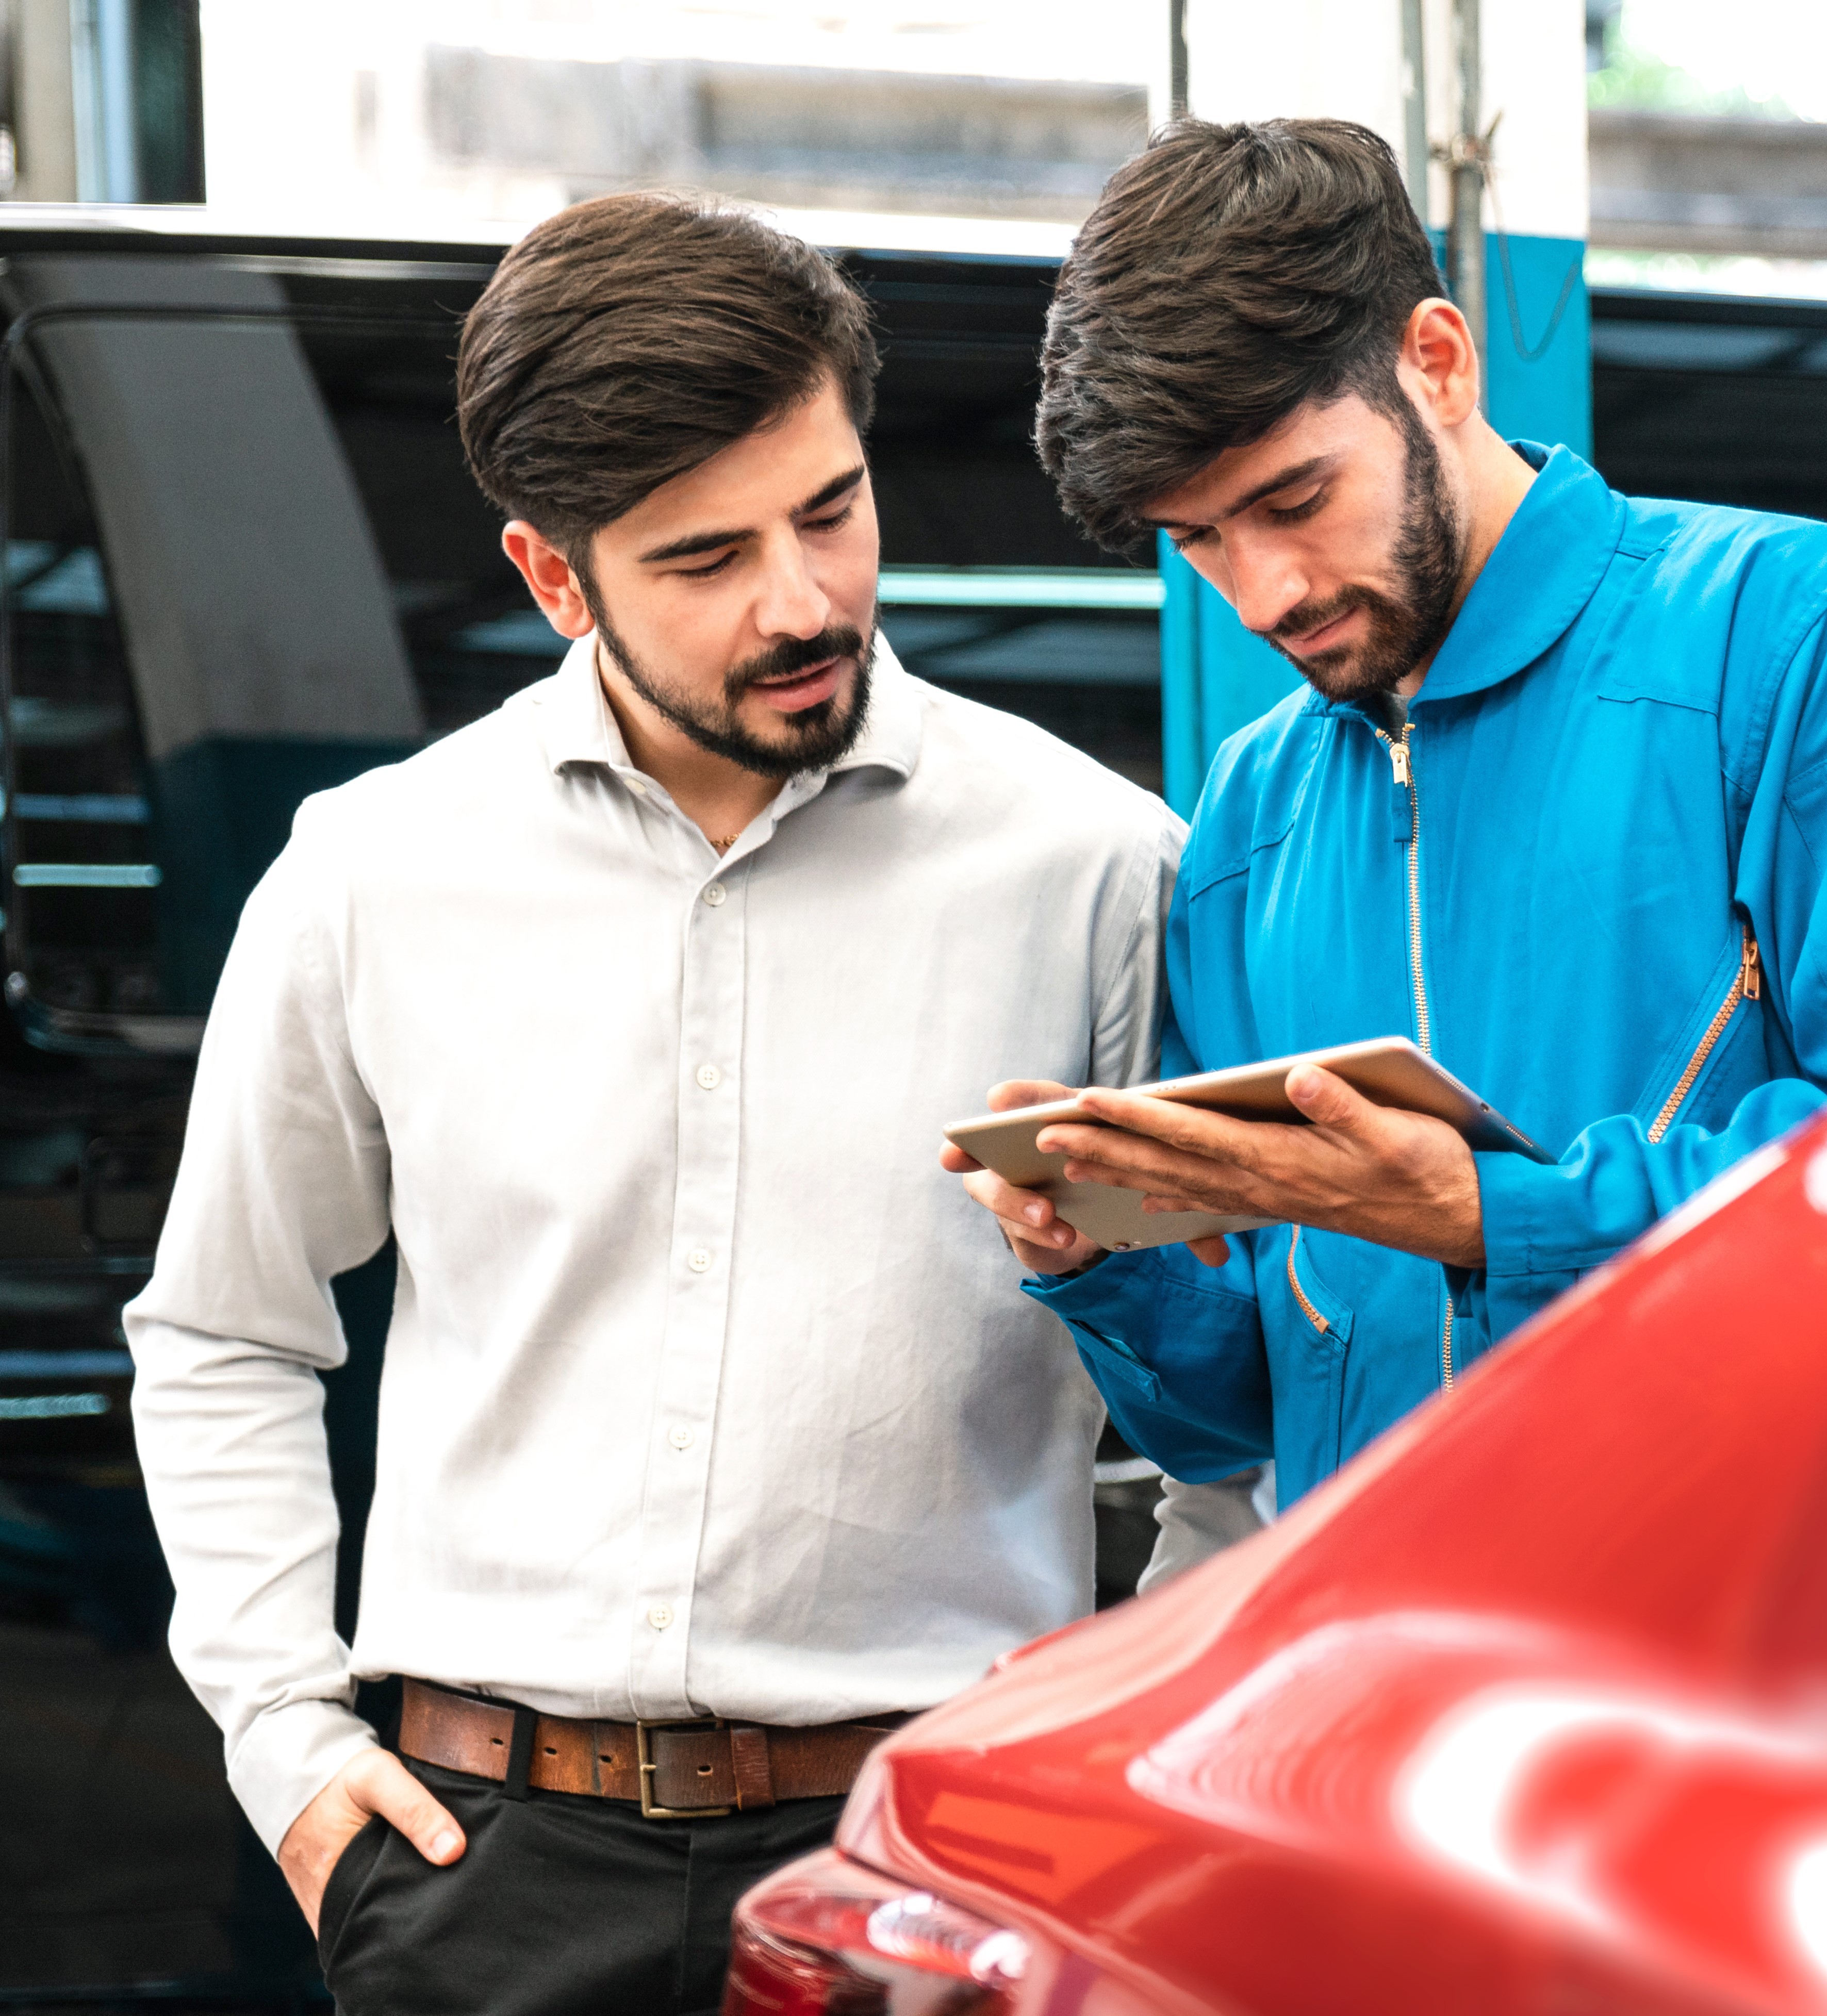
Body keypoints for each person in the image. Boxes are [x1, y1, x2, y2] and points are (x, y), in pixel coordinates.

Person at [122, 194, 1183, 2013]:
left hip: (931, 1863)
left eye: (830, 512)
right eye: (704, 560)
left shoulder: (1097, 867)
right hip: (479, 1876)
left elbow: (1211, 1398)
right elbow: (224, 1333)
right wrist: (291, 1755)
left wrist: (1122, 1771)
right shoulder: (373, 874)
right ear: (556, 576)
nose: (802, 602)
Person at [949, 119, 1827, 1506]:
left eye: (1295, 498)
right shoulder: (1255, 813)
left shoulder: (1807, 638)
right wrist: (1100, 1262)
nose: (1265, 592)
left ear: (1441, 363)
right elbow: (1235, 1419)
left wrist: (1488, 1218)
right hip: (1405, 1672)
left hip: (1748, 1652)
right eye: (1201, 539)